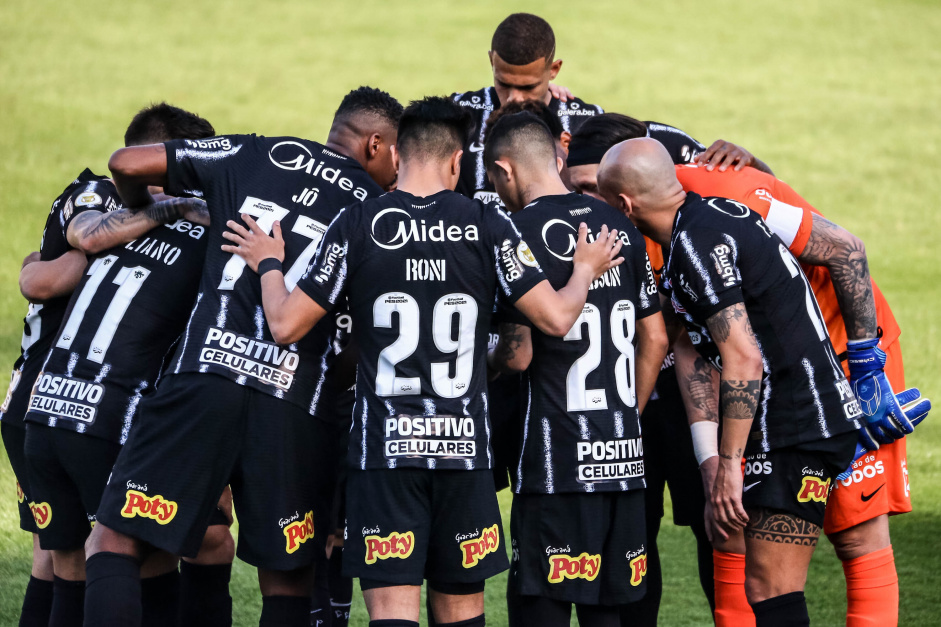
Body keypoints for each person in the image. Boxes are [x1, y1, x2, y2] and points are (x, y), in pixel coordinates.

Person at [217, 95, 624, 626]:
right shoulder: (486, 223)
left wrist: (270, 264)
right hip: (464, 458)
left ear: (401, 153)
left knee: (392, 615)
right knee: (460, 614)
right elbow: (555, 319)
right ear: (457, 162)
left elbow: (285, 326)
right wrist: (584, 271)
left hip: (384, 457)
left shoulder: (358, 222)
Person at [82, 86, 403, 627]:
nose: (399, 170)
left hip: (204, 381)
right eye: (399, 155)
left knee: (114, 540)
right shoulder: (377, 211)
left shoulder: (256, 152)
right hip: (296, 406)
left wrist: (153, 207)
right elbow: (372, 338)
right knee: (287, 576)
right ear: (376, 143)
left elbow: (126, 162)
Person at [598, 138, 861, 627]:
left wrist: (730, 468)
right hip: (810, 420)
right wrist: (711, 457)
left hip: (795, 428)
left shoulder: (694, 246)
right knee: (766, 584)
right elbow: (692, 349)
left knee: (770, 587)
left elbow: (743, 359)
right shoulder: (713, 217)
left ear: (624, 206)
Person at [666, 162, 930, 627]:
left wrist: (867, 370)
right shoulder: (632, 229)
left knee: (856, 531)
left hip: (845, 351)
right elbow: (691, 345)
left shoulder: (731, 196)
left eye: (591, 186)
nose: (585, 200)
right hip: (760, 377)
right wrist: (712, 462)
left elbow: (847, 251)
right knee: (732, 526)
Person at [0, 103, 217, 627]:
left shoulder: (102, 213)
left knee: (60, 564)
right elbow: (41, 280)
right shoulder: (119, 204)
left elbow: (41, 269)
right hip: (103, 407)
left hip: (38, 406)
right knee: (146, 555)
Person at [484, 112, 669, 626]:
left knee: (540, 609)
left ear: (505, 171)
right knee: (608, 614)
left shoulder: (513, 235)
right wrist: (625, 412)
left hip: (554, 466)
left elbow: (517, 354)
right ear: (557, 158)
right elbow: (654, 336)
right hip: (622, 462)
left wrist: (487, 361)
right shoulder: (618, 228)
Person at [564, 113, 721, 623]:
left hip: (688, 399)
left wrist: (748, 159)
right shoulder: (573, 234)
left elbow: (761, 190)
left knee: (715, 524)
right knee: (630, 534)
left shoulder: (680, 209)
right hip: (617, 403)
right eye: (577, 189)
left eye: (596, 189)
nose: (588, 205)